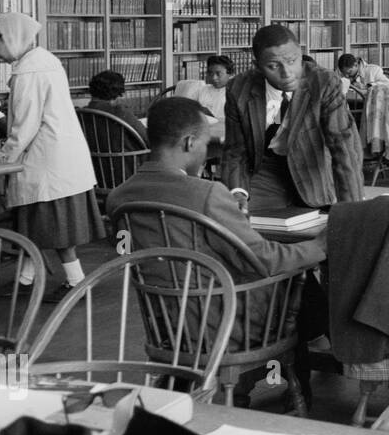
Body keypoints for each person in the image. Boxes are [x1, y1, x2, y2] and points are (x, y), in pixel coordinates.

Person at [106, 96, 327, 348]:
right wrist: (320, 246)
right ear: (189, 143)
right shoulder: (206, 193)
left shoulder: (118, 197)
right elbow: (264, 260)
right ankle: (323, 354)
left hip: (166, 324)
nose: (205, 151)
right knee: (300, 274)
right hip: (222, 324)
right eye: (205, 143)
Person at [0, 12, 103, 301]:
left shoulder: (28, 72)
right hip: (61, 156)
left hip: (46, 160)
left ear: (10, 39)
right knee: (35, 224)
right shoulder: (44, 60)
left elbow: (23, 129)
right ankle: (27, 278)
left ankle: (76, 282)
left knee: (50, 226)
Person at [221, 24, 365, 215]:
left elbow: (343, 146)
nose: (286, 72)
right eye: (273, 66)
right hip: (264, 176)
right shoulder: (238, 89)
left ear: (300, 54)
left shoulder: (323, 83)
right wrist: (237, 192)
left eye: (292, 61)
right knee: (232, 220)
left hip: (313, 176)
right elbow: (235, 150)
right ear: (257, 66)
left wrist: (352, 208)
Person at [84, 70, 148, 144]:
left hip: (91, 155)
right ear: (118, 93)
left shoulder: (81, 114)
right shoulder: (121, 113)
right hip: (129, 155)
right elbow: (148, 139)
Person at [176, 54, 233, 122]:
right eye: (210, 73)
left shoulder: (235, 93)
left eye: (218, 74)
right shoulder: (202, 89)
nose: (213, 78)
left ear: (230, 74)